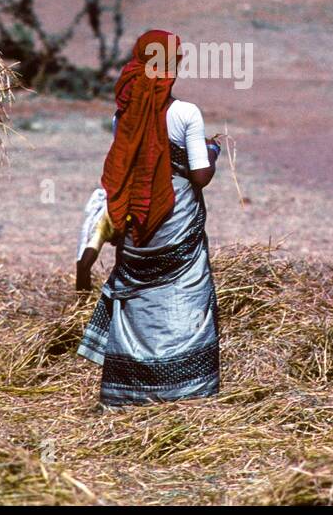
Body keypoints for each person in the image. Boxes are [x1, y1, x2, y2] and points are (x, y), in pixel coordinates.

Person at [77, 29, 223, 407]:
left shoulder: (122, 115)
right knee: (184, 299)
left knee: (139, 303)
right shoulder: (186, 113)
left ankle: (130, 391)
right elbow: (200, 176)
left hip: (138, 231)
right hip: (177, 225)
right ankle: (184, 391)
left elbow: (124, 166)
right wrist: (213, 151)